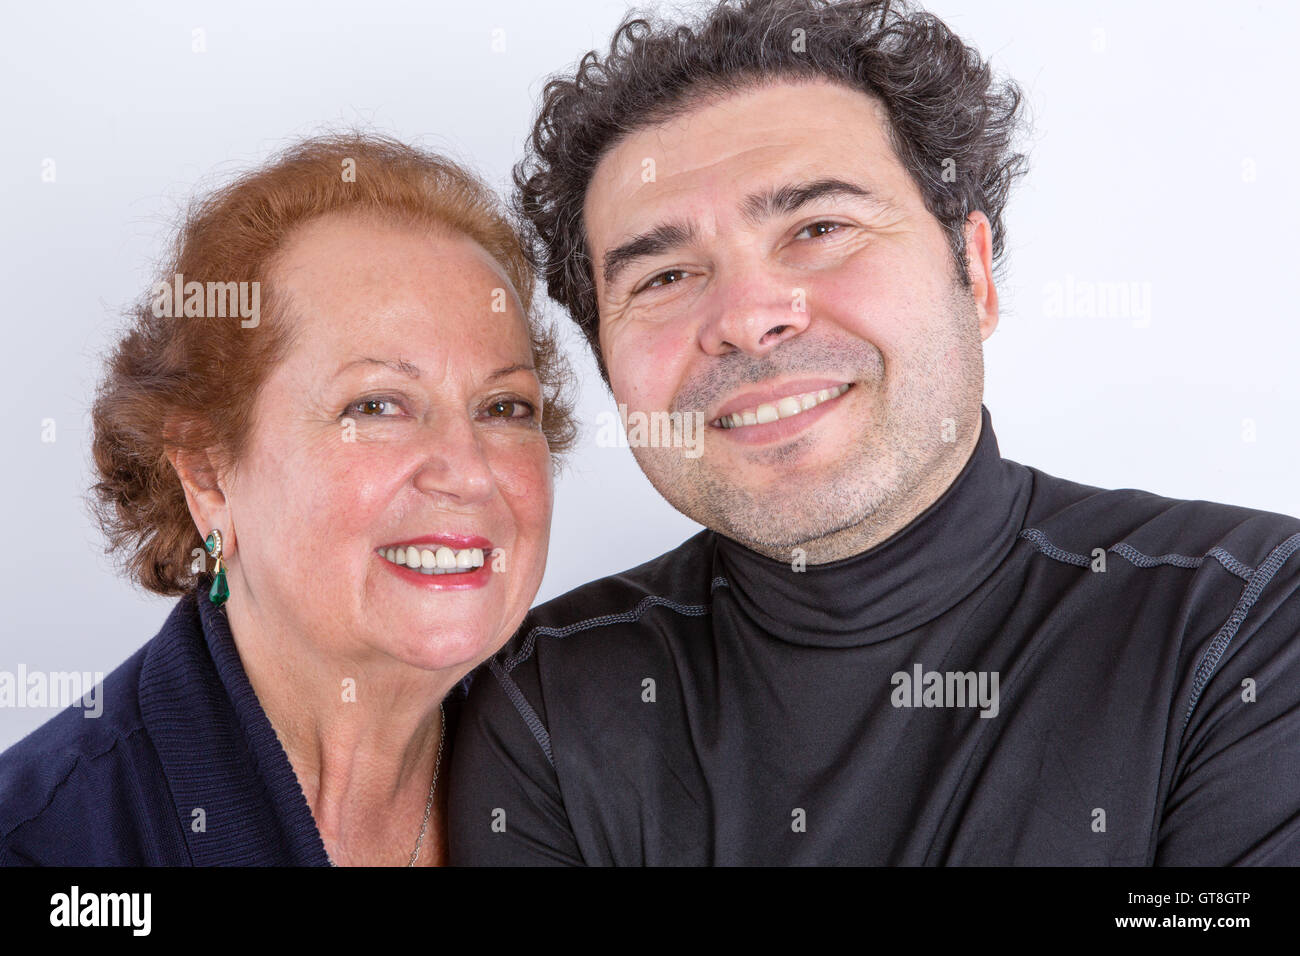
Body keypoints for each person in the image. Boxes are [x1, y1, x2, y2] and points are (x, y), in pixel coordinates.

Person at [447, 0, 1300, 865]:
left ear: (972, 272)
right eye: (665, 275)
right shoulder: (544, 704)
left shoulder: (1246, 619)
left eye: (819, 229)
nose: (746, 318)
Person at [0, 133, 575, 865]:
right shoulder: (45, 848)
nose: (468, 472)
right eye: (375, 406)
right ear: (208, 474)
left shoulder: (600, 773)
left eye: (504, 407)